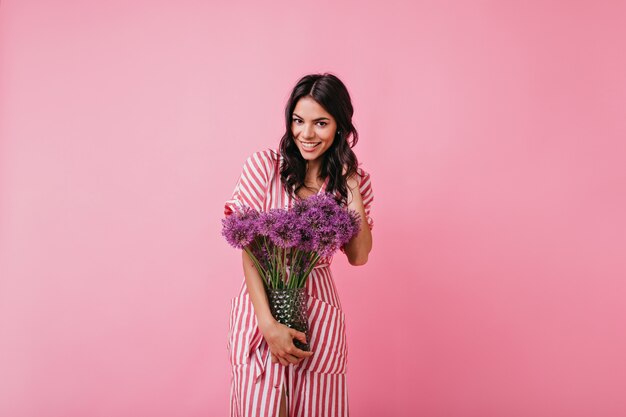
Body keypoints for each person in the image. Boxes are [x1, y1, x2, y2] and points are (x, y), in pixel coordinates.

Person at [223, 73, 374, 417]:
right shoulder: (263, 168)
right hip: (261, 309)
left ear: (340, 126)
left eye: (320, 123)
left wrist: (349, 182)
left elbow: (359, 255)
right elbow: (250, 249)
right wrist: (267, 325)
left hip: (320, 314)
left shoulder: (355, 183)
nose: (306, 134)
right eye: (298, 120)